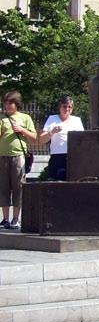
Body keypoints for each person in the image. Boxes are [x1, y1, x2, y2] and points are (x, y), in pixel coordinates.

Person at [1, 90, 37, 229]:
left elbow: (34, 138)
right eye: (6, 102)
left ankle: (16, 218)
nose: (8, 105)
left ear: (17, 104)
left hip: (18, 156)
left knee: (18, 187)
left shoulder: (25, 118)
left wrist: (22, 130)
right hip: (2, 156)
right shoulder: (2, 118)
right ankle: (5, 219)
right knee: (3, 188)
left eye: (11, 103)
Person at [39, 94, 83, 181]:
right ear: (60, 107)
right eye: (64, 106)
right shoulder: (52, 119)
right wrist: (52, 132)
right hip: (57, 156)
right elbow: (41, 140)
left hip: (73, 156)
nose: (67, 109)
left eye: (69, 107)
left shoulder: (76, 120)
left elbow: (82, 139)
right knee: (57, 181)